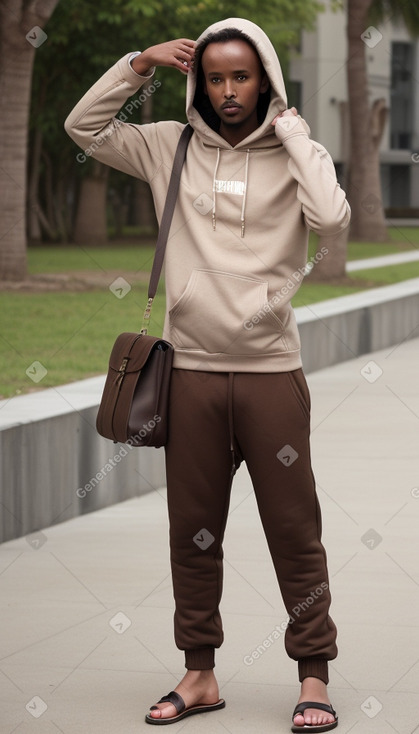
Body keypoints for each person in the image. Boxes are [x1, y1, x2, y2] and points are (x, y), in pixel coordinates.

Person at [65, 17, 350, 732]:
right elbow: (84, 128)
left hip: (269, 374)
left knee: (294, 528)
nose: (227, 90)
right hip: (188, 372)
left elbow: (332, 217)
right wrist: (138, 64)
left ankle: (312, 675)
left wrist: (291, 132)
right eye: (215, 76)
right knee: (192, 529)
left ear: (264, 81)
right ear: (200, 80)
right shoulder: (169, 143)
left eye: (241, 76)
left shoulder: (294, 151)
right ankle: (199, 673)